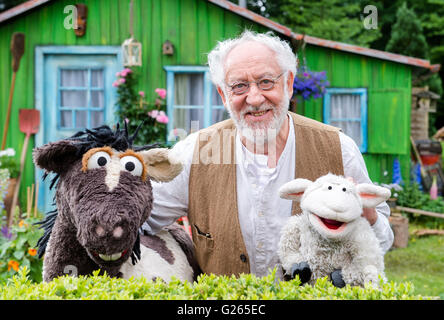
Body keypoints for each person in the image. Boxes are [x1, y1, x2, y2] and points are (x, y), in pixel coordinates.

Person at [141, 30, 394, 278]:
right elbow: (139, 219)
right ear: (223, 95)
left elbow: (381, 242)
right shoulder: (195, 152)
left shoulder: (338, 148)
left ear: (289, 83)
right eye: (239, 86)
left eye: (266, 82)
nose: (254, 98)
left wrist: (366, 215)